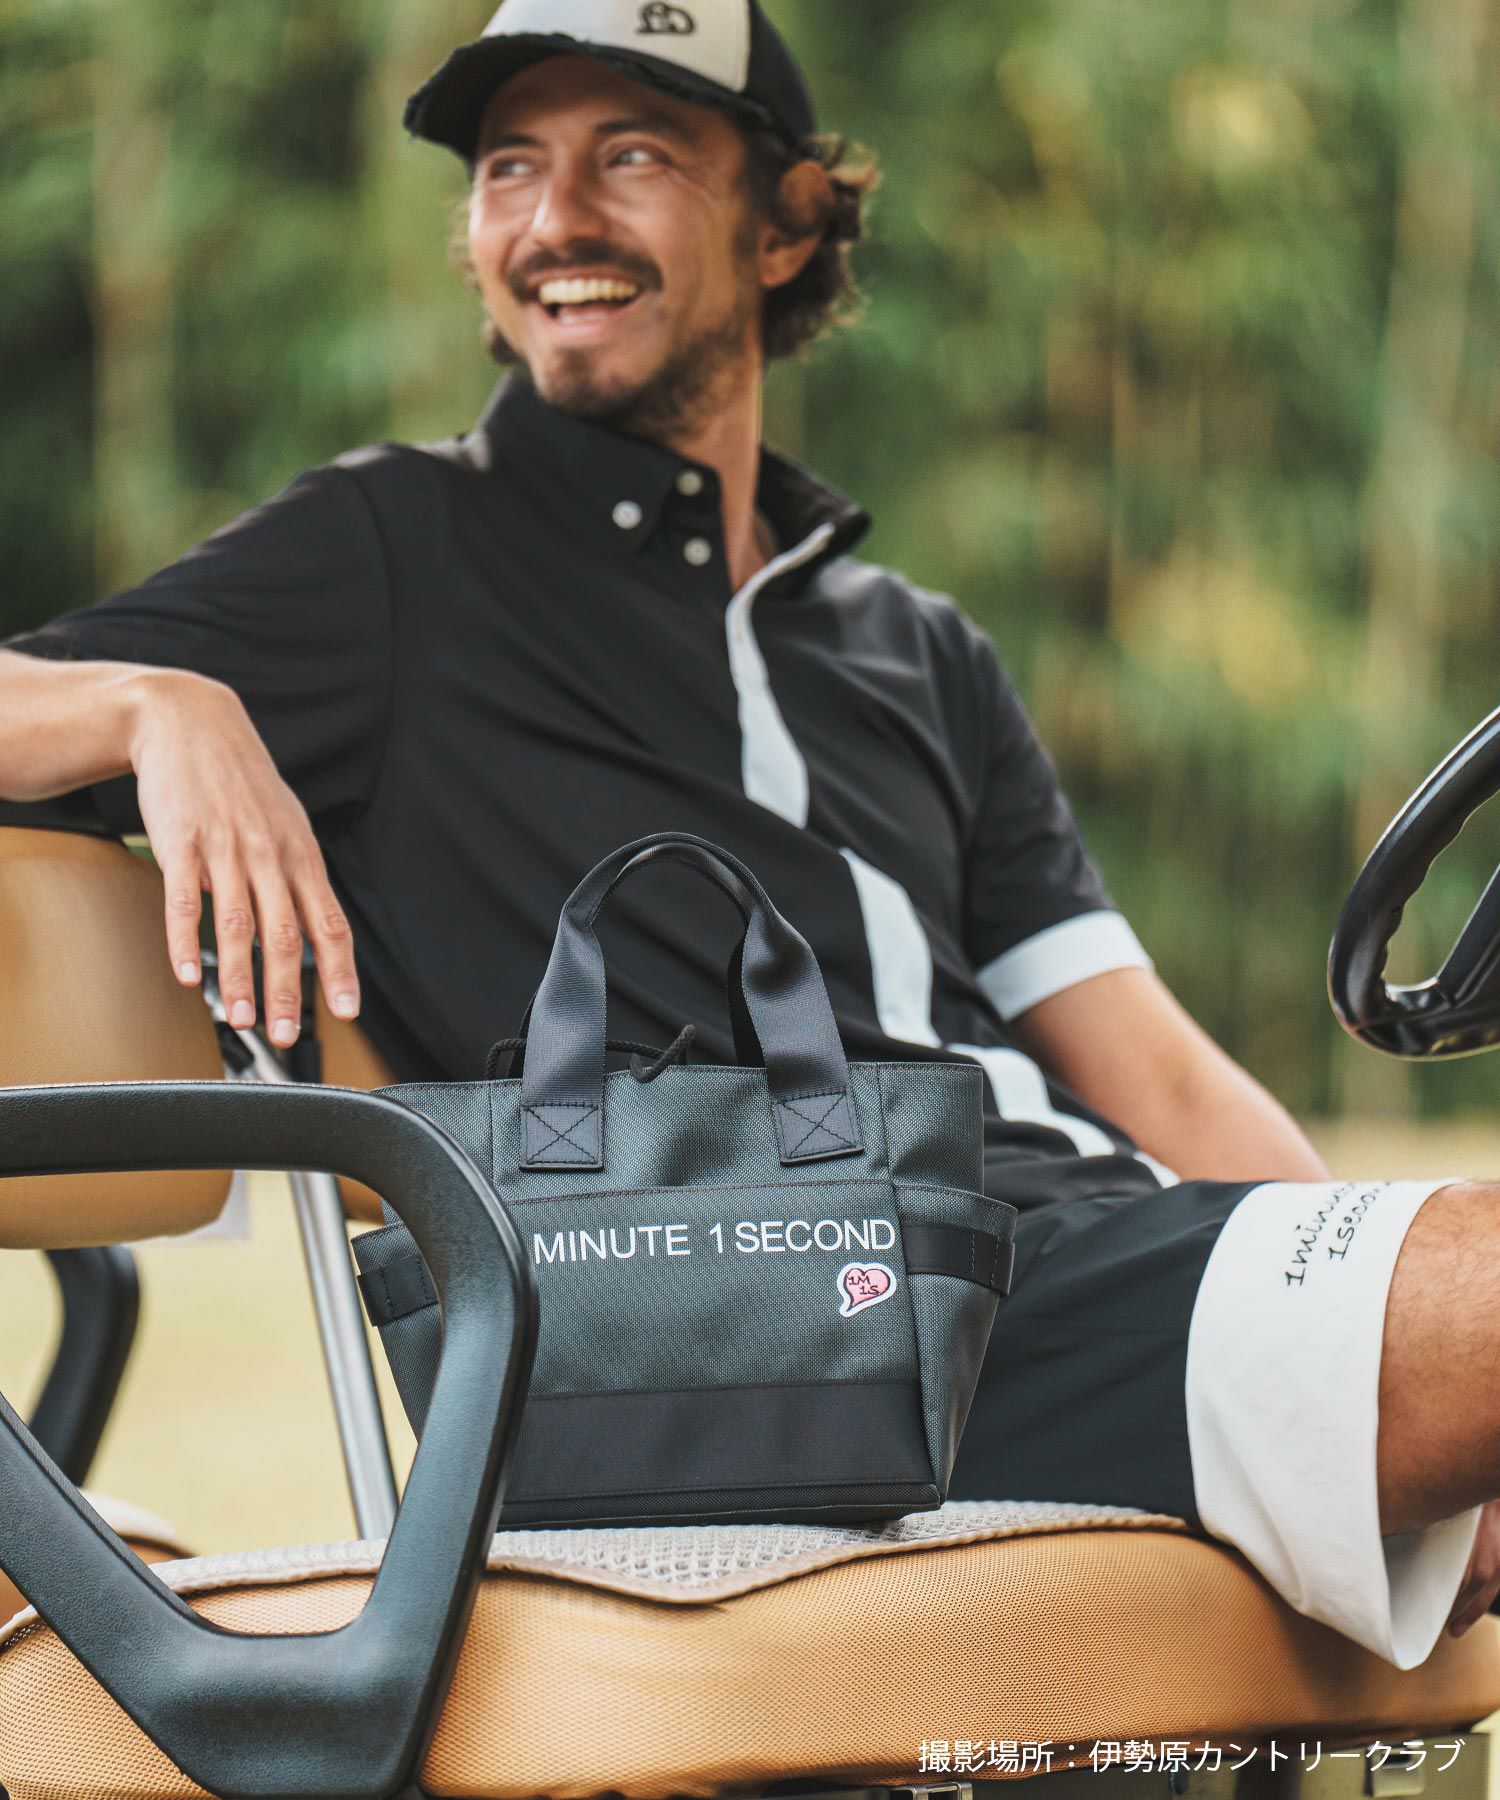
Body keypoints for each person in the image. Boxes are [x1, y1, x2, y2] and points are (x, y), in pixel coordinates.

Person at [2, 0, 1497, 1672]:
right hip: (767, 1326)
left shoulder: (916, 650)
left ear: (786, 224)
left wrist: (1378, 1299)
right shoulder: (386, 556)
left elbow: (1153, 1073)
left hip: (1061, 1270)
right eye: (510, 168)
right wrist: (148, 703)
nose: (556, 218)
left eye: (632, 155)